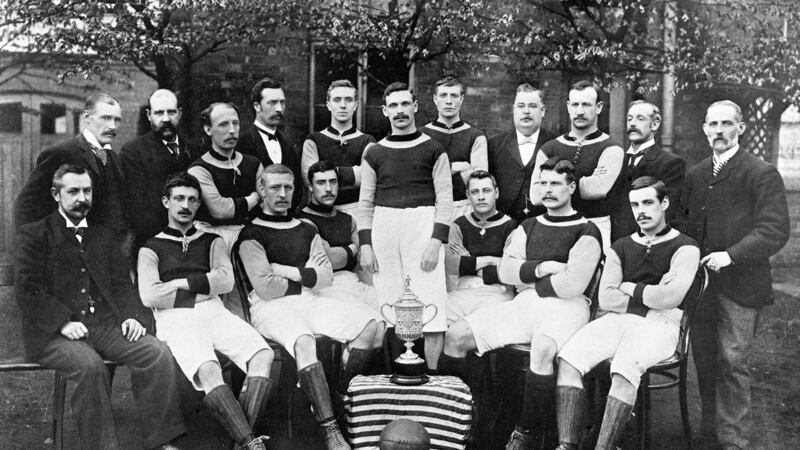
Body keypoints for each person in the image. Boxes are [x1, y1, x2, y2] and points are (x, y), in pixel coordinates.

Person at [14, 164, 184, 450]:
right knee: (90, 367)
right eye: (73, 192)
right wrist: (63, 322)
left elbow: (121, 285)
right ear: (56, 194)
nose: (82, 198)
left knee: (156, 352)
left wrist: (131, 316)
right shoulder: (35, 235)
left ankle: (161, 440)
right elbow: (28, 289)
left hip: (104, 326)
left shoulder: (102, 235)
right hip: (54, 334)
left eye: (87, 191)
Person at [441, 158, 602, 450]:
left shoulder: (587, 230)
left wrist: (526, 274)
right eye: (543, 183)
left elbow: (573, 284)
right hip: (525, 303)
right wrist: (544, 268)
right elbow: (505, 271)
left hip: (569, 307)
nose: (548, 190)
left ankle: (525, 433)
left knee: (542, 348)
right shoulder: (528, 226)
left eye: (555, 183)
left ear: (572, 186)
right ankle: (461, 424)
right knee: (456, 335)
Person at [238, 164, 384, 450]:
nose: (282, 194)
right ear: (261, 191)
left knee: (372, 324)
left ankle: (340, 397)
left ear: (296, 190)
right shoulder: (251, 233)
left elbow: (327, 277)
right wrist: (306, 275)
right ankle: (330, 430)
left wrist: (287, 271)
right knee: (304, 341)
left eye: (288, 188)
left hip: (311, 300)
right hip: (270, 308)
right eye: (275, 188)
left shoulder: (306, 228)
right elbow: (265, 287)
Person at [554, 176, 700, 450]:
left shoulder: (685, 247)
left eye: (648, 202)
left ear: (664, 203)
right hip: (617, 319)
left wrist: (629, 286)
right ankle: (567, 445)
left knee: (624, 368)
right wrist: (650, 294)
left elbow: (671, 298)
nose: (641, 211)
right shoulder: (620, 246)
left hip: (662, 324)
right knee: (568, 358)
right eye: (635, 205)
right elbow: (607, 297)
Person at [679, 100, 790, 450]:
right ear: (704, 129)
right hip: (703, 287)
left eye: (727, 124)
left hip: (742, 284)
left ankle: (734, 440)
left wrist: (731, 255)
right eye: (713, 124)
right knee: (705, 358)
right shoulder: (696, 174)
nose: (719, 132)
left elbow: (774, 229)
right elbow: (683, 225)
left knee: (732, 361)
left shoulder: (760, 172)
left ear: (740, 128)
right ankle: (708, 432)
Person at [137, 172, 274, 450]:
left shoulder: (213, 241)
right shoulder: (150, 248)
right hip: (176, 317)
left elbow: (225, 282)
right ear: (166, 202)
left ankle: (242, 443)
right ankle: (250, 443)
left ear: (199, 204)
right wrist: (202, 287)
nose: (185, 205)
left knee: (263, 354)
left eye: (192, 200)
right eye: (179, 199)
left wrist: (177, 283)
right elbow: (151, 294)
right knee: (210, 369)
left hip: (215, 311)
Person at [358, 81, 453, 372]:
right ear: (385, 111)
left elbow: (446, 202)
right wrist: (365, 244)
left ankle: (432, 378)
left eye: (404, 104)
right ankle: (396, 374)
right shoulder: (373, 152)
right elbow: (365, 203)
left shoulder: (434, 149)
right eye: (393, 106)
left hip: (422, 225)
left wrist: (435, 243)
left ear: (415, 107)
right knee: (390, 303)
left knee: (430, 305)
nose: (400, 111)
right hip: (384, 226)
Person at [14, 93, 132, 257]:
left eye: (117, 119)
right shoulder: (61, 153)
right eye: (105, 118)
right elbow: (26, 206)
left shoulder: (114, 158)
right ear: (87, 117)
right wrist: (36, 250)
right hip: (68, 256)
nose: (112, 125)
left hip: (107, 257)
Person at [532, 80, 624, 250]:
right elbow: (536, 196)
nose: (580, 111)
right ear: (568, 107)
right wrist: (584, 182)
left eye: (586, 105)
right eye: (575, 104)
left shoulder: (612, 149)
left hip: (595, 227)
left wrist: (553, 185)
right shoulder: (549, 148)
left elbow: (597, 189)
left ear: (599, 107)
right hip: (554, 227)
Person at [296, 160, 381, 313]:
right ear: (310, 187)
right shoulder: (304, 221)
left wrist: (350, 252)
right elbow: (331, 259)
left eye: (333, 182)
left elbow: (363, 260)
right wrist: (354, 247)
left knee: (388, 308)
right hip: (326, 289)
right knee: (367, 317)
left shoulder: (347, 219)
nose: (328, 189)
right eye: (321, 183)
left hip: (354, 282)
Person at [120, 89, 194, 254]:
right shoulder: (133, 152)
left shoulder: (194, 148)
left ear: (180, 113)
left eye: (171, 112)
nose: (166, 119)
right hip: (153, 243)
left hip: (193, 241)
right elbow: (137, 207)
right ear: (149, 115)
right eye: (159, 113)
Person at [445, 170, 517, 324]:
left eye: (487, 190)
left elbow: (510, 270)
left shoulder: (511, 226)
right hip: (461, 293)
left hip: (498, 294)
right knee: (434, 321)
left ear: (496, 193)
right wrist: (493, 260)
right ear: (468, 195)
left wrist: (468, 262)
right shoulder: (458, 225)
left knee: (476, 327)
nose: (481, 197)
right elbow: (450, 265)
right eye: (475, 192)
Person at [188, 102, 263, 251]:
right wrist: (254, 198)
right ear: (208, 129)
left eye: (236, 123)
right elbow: (221, 211)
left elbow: (268, 202)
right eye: (223, 125)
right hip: (212, 240)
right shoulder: (199, 169)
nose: (232, 130)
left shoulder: (253, 164)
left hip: (251, 237)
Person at [610, 100, 686, 241]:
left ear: (655, 124)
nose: (633, 123)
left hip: (649, 243)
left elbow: (667, 211)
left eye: (640, 118)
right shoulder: (616, 160)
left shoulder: (671, 163)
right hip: (615, 244)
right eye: (629, 119)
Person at [300, 79, 376, 215]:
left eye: (348, 100)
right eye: (337, 100)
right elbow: (310, 178)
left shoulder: (367, 141)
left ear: (356, 105)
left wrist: (331, 172)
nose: (343, 105)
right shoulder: (314, 140)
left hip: (357, 211)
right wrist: (354, 173)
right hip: (321, 213)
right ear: (328, 105)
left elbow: (369, 178)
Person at [421, 75, 488, 219]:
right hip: (429, 208)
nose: (449, 101)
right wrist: (458, 167)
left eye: (454, 96)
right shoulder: (422, 135)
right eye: (443, 95)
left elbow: (479, 179)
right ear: (435, 99)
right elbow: (420, 176)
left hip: (464, 209)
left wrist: (436, 171)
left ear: (461, 99)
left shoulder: (476, 136)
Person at [488, 83, 556, 223]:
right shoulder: (494, 145)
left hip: (543, 225)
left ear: (542, 111)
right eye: (521, 106)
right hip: (503, 225)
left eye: (532, 106)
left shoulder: (555, 145)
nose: (526, 111)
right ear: (514, 110)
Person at [237, 77, 303, 211]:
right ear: (257, 106)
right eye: (272, 103)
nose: (279, 108)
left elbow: (297, 188)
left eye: (282, 102)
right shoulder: (243, 143)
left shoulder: (288, 145)